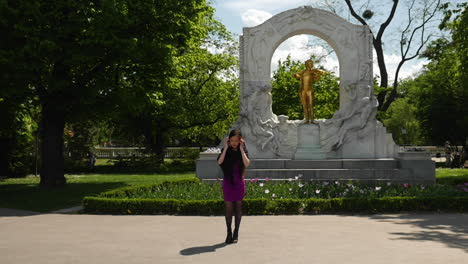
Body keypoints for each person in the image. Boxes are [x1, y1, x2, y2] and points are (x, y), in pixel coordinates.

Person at [217, 129, 250, 244]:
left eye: (236, 141)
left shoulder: (243, 151)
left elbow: (247, 163)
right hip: (228, 182)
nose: (234, 143)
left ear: (240, 141)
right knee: (228, 209)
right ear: (229, 141)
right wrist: (225, 148)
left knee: (238, 208)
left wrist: (241, 149)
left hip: (239, 183)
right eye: (232, 141)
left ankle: (236, 232)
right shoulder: (226, 151)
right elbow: (220, 162)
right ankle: (229, 233)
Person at [293, 59, 324, 124]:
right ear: (306, 64)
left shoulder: (313, 71)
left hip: (309, 90)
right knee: (305, 105)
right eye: (309, 63)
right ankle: (307, 119)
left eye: (311, 63)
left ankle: (312, 119)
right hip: (303, 90)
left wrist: (317, 73)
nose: (310, 65)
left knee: (311, 105)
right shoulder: (302, 72)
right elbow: (294, 75)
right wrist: (296, 74)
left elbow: (318, 77)